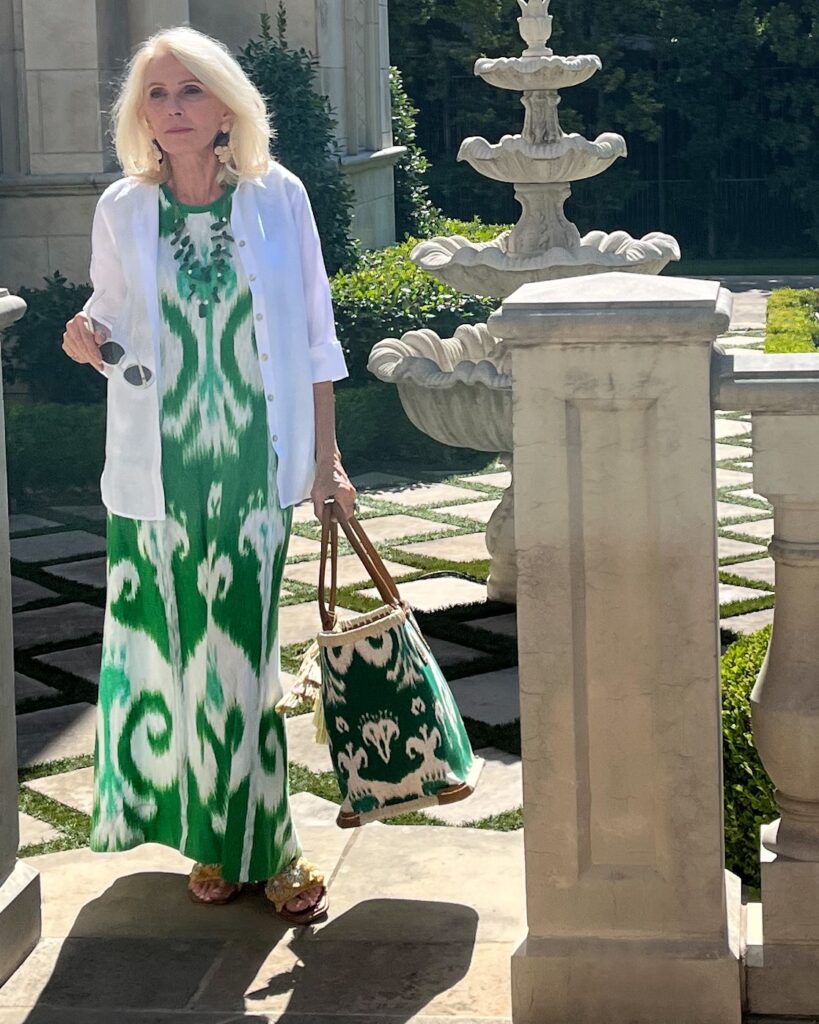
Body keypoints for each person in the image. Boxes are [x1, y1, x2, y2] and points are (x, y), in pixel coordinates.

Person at [61, 25, 356, 922]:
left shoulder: (279, 199)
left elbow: (314, 333)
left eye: (189, 91)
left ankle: (271, 849)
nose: (173, 110)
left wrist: (327, 459)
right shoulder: (122, 208)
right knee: (175, 660)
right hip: (159, 471)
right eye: (156, 94)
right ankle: (213, 840)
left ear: (226, 105)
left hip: (250, 463)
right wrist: (86, 339)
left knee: (243, 657)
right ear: (138, 114)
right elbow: (109, 322)